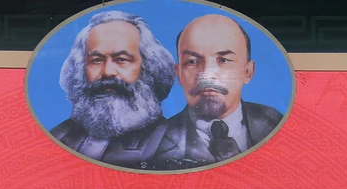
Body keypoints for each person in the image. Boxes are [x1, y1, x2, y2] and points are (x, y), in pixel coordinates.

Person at [150, 14, 283, 170]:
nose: (207, 74)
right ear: (178, 74)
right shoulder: (152, 144)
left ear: (248, 72)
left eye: (223, 60)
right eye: (192, 61)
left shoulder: (276, 123)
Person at [50, 10, 176, 168]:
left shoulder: (173, 143)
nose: (108, 71)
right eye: (96, 60)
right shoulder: (59, 136)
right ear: (81, 69)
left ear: (148, 68)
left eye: (121, 60)